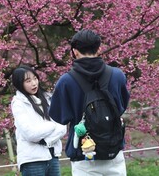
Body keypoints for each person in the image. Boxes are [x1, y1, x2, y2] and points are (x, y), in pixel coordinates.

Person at [50, 29, 130, 176]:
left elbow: (60, 116)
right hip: (113, 151)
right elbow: (122, 107)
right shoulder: (117, 75)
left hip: (84, 154)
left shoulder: (66, 81)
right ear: (100, 48)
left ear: (74, 52)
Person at [11, 65, 66, 175]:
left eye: (35, 78)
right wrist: (52, 125)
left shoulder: (48, 98)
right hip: (32, 160)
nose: (34, 83)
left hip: (53, 156)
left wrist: (46, 140)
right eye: (28, 81)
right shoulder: (18, 103)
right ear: (19, 84)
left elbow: (62, 127)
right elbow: (30, 134)